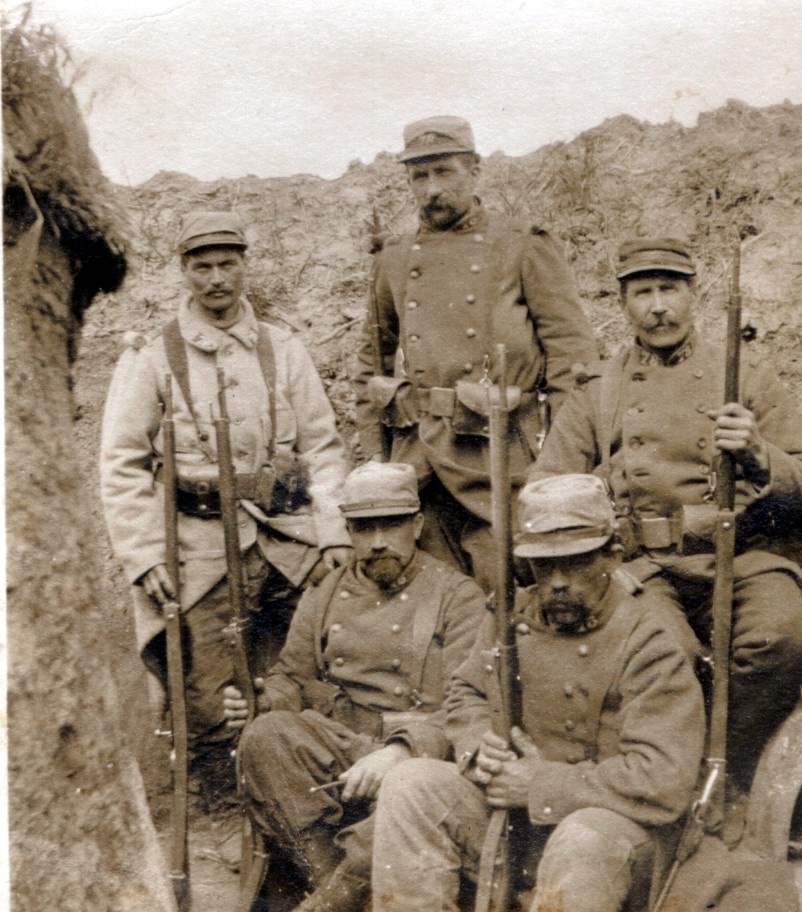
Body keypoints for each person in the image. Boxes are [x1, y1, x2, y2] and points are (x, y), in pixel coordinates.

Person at [531, 236, 802, 791]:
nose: (658, 306)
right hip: (644, 567)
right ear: (623, 304)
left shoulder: (746, 376)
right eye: (643, 292)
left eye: (669, 289)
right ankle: (673, 778)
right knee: (669, 657)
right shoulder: (599, 390)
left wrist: (761, 454)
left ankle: (724, 769)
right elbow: (546, 486)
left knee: (788, 635)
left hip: (741, 557)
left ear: (694, 295)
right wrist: (599, 493)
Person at [100, 210, 352, 805]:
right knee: (209, 692)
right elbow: (121, 462)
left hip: (287, 538)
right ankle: (223, 807)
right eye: (202, 266)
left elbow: (322, 446)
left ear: (245, 265)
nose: (217, 278)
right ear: (184, 272)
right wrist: (142, 555)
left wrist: (335, 532)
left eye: (227, 264)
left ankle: (309, 790)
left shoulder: (283, 347)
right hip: (199, 546)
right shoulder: (152, 355)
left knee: (317, 659)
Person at [370, 474, 705, 912]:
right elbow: (467, 691)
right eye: (544, 565)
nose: (559, 581)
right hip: (517, 823)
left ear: (613, 556)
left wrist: (540, 784)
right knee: (410, 783)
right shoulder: (511, 616)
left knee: (581, 837)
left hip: (614, 834)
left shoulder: (651, 639)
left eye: (577, 561)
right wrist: (477, 746)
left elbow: (662, 779)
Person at [225, 461, 487, 912]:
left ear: (417, 525)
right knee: (263, 738)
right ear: (348, 530)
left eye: (392, 525)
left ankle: (333, 900)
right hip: (340, 749)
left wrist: (401, 751)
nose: (378, 541)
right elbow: (293, 677)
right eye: (365, 528)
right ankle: (335, 883)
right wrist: (258, 700)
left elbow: (468, 707)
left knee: (406, 796)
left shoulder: (457, 597)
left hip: (419, 755)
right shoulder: (325, 593)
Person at [353, 115, 598, 592]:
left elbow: (574, 359)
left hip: (500, 455)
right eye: (419, 177)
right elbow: (371, 364)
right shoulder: (395, 257)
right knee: (424, 593)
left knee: (505, 582)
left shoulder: (521, 245)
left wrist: (557, 464)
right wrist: (375, 461)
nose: (431, 189)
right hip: (419, 457)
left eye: (444, 172)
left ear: (475, 170)